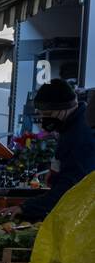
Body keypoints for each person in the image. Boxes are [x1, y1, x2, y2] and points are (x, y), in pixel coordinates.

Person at [8, 80, 95, 221]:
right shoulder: (70, 127)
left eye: (48, 113)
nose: (44, 120)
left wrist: (27, 208)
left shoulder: (80, 135)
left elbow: (70, 187)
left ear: (64, 108)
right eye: (41, 114)